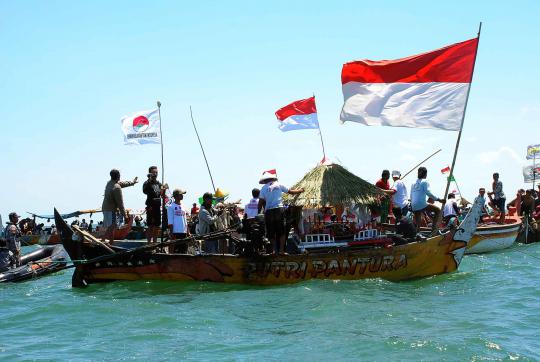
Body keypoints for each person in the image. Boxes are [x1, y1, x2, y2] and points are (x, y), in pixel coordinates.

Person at [257, 170, 304, 255]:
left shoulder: (263, 188)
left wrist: (258, 213)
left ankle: (274, 251)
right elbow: (291, 192)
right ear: (273, 178)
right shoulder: (279, 184)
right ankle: (282, 251)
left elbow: (260, 202)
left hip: (269, 212)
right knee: (281, 231)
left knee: (271, 232)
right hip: (279, 210)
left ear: (265, 180)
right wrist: (300, 190)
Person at [102, 169, 138, 242]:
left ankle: (111, 242)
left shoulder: (109, 183)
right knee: (112, 226)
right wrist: (125, 215)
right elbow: (120, 204)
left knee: (111, 226)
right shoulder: (117, 188)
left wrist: (132, 182)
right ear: (118, 176)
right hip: (110, 210)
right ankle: (103, 240)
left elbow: (122, 183)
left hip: (105, 208)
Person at [410, 167, 445, 234]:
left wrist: (412, 205)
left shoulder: (413, 183)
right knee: (438, 210)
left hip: (413, 204)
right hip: (421, 203)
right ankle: (434, 230)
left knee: (418, 222)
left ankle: (416, 234)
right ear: (425, 174)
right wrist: (439, 199)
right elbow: (428, 193)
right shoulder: (425, 182)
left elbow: (411, 195)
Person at [143, 166, 165, 243]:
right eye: (153, 172)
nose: (155, 174)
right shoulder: (147, 183)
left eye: (156, 172)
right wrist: (150, 179)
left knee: (157, 225)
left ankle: (155, 243)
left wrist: (164, 190)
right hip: (151, 206)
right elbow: (144, 191)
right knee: (150, 225)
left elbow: (162, 194)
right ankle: (149, 243)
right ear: (150, 173)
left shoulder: (159, 183)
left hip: (158, 206)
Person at [167, 188, 190, 253]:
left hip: (183, 232)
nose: (182, 195)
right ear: (176, 196)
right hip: (175, 232)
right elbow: (170, 221)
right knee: (175, 252)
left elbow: (185, 220)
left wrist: (188, 231)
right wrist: (171, 234)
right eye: (181, 194)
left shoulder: (183, 206)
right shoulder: (171, 206)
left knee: (184, 251)